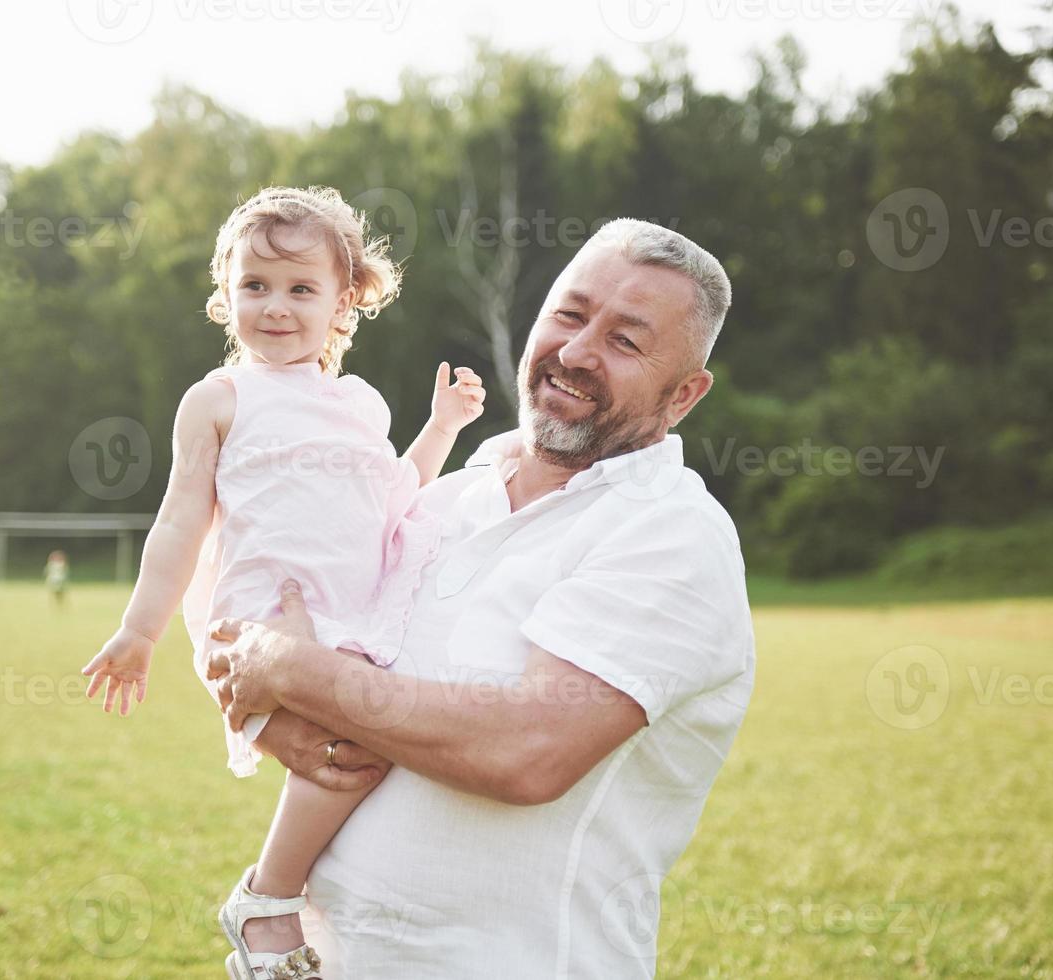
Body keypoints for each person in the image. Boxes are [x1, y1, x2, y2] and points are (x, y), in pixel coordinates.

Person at [204, 218, 756, 976]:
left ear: (683, 395)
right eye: (568, 313)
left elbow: (527, 752)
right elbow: (272, 599)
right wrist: (271, 718)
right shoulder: (442, 497)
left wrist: (291, 674)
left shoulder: (672, 534)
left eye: (625, 341)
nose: (575, 351)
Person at [79, 185, 486, 979]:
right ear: (224, 294)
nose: (276, 306)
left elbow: (393, 496)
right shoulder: (219, 401)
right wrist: (140, 631)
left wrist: (441, 429)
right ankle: (267, 899)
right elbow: (177, 522)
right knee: (346, 751)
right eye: (254, 286)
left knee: (360, 750)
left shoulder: (359, 402)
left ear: (344, 303)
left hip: (357, 609)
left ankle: (308, 905)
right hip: (262, 621)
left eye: (302, 289)